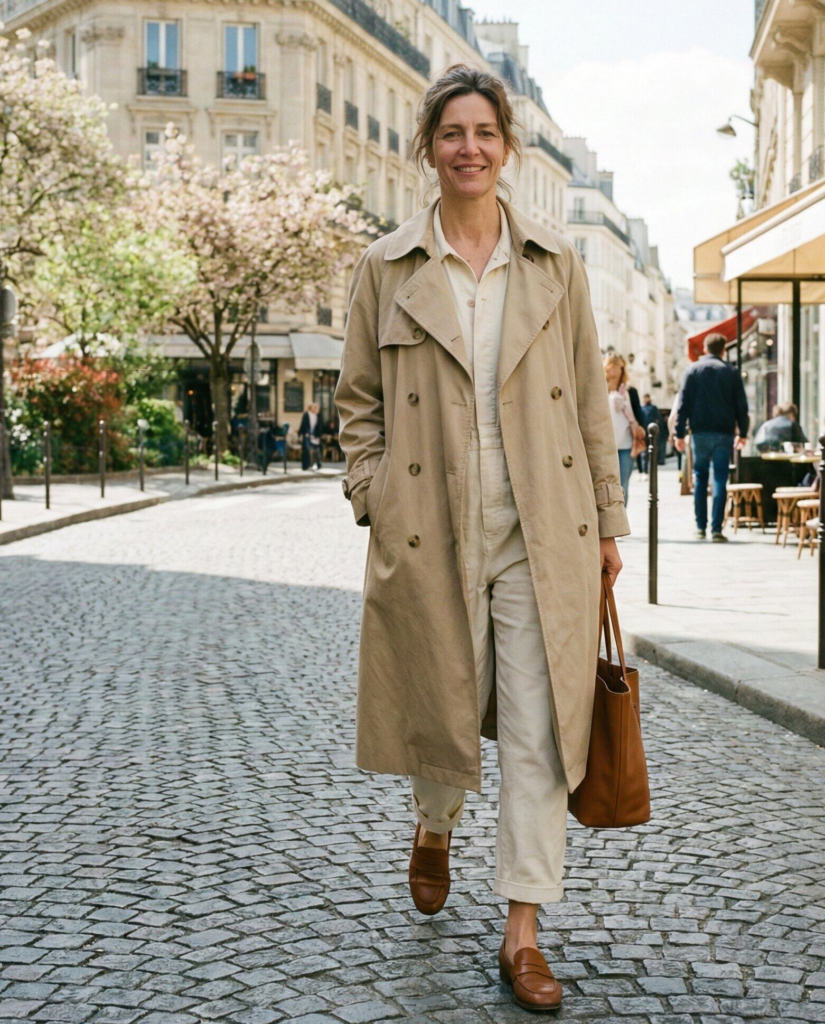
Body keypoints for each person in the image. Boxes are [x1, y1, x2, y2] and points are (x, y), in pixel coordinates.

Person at [334, 64, 630, 1014]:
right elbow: (357, 405)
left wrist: (607, 522)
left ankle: (522, 931)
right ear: (429, 147)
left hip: (540, 529)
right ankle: (434, 823)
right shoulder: (386, 267)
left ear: (508, 148)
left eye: (485, 133)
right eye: (452, 133)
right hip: (430, 528)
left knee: (541, 732)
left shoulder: (554, 262)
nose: (469, 148)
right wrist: (374, 496)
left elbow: (588, 407)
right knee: (440, 707)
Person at [674, 332, 749, 542]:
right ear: (723, 350)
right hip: (724, 433)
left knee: (700, 478)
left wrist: (679, 433)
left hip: (699, 432)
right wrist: (743, 433)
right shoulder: (731, 372)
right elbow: (741, 405)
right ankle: (716, 529)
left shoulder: (692, 370)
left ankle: (700, 527)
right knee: (720, 479)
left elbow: (683, 404)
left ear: (705, 349)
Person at [604, 353, 644, 505]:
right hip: (605, 445)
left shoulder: (629, 391)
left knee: (623, 485)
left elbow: (640, 415)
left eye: (618, 366)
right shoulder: (599, 389)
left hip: (626, 444)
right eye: (611, 366)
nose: (615, 370)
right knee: (605, 485)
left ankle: (621, 516)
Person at [639, 393, 666, 473]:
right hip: (645, 433)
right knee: (645, 452)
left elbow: (659, 420)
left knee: (651, 452)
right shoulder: (643, 408)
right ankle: (645, 470)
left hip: (651, 433)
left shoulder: (653, 408)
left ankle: (649, 469)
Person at [298, 402, 322, 471]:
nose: (315, 409)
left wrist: (318, 435)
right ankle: (306, 466)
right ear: (310, 408)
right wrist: (300, 434)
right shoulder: (307, 414)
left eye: (316, 408)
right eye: (314, 407)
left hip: (315, 436)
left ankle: (318, 465)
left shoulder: (318, 415)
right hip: (307, 435)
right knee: (307, 450)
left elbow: (320, 426)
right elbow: (303, 425)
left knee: (317, 451)